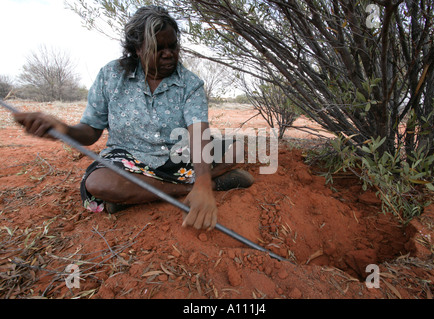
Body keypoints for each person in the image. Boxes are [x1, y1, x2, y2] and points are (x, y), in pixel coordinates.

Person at [13, 5, 254, 231]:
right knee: (98, 183)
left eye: (173, 46)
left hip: (179, 158)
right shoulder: (111, 75)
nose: (169, 54)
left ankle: (146, 193)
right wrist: (62, 128)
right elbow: (90, 132)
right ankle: (188, 188)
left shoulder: (189, 83)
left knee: (241, 148)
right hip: (128, 159)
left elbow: (198, 131)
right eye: (158, 49)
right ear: (137, 49)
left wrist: (200, 177)